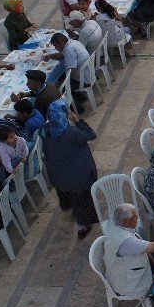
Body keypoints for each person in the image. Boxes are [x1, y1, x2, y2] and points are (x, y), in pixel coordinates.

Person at [44, 100, 99, 238]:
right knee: (83, 202)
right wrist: (78, 121)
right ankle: (82, 227)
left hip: (58, 176)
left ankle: (73, 210)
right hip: (77, 177)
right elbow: (91, 134)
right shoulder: (72, 133)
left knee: (70, 196)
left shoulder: (45, 132)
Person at [44, 32, 92, 113]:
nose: (56, 48)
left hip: (82, 79)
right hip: (86, 73)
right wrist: (49, 56)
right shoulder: (73, 42)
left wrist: (61, 84)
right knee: (60, 79)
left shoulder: (69, 50)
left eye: (56, 46)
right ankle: (80, 97)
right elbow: (61, 55)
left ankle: (78, 108)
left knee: (59, 89)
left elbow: (71, 73)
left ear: (62, 43)